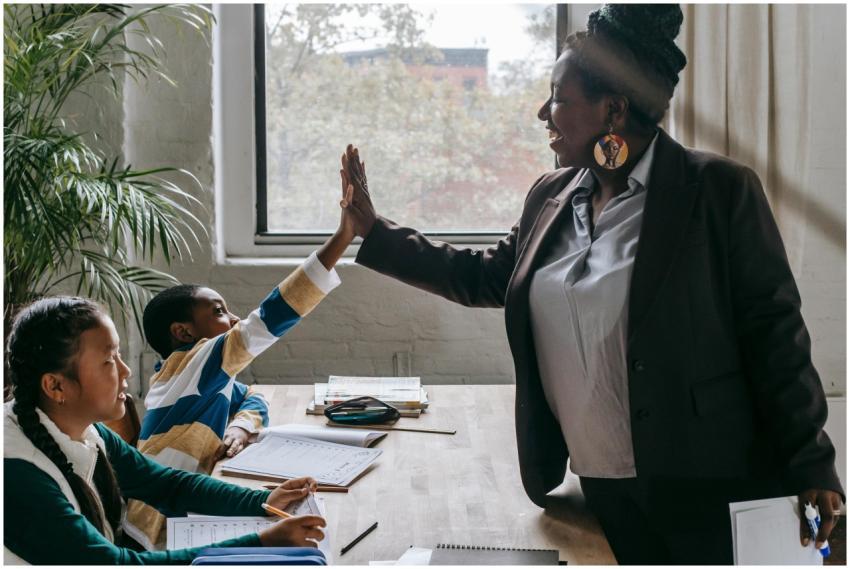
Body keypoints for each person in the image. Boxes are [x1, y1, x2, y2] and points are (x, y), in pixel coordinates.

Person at [337, 4, 843, 564]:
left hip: (708, 489)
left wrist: (812, 462)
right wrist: (373, 232)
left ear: (614, 109)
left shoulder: (718, 192)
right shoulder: (550, 198)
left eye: (558, 96)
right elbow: (484, 276)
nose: (541, 112)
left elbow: (775, 335)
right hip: (598, 489)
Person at [3, 296, 326, 564]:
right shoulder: (17, 473)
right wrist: (257, 544)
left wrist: (263, 499)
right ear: (55, 386)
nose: (126, 371)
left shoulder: (84, 430)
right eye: (108, 361)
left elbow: (166, 485)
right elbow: (113, 564)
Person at [126, 178, 356, 549]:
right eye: (219, 312)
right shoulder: (190, 365)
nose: (232, 319)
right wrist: (343, 237)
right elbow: (267, 320)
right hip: (157, 528)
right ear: (183, 332)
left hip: (187, 504)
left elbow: (253, 396)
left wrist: (241, 428)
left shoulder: (198, 376)